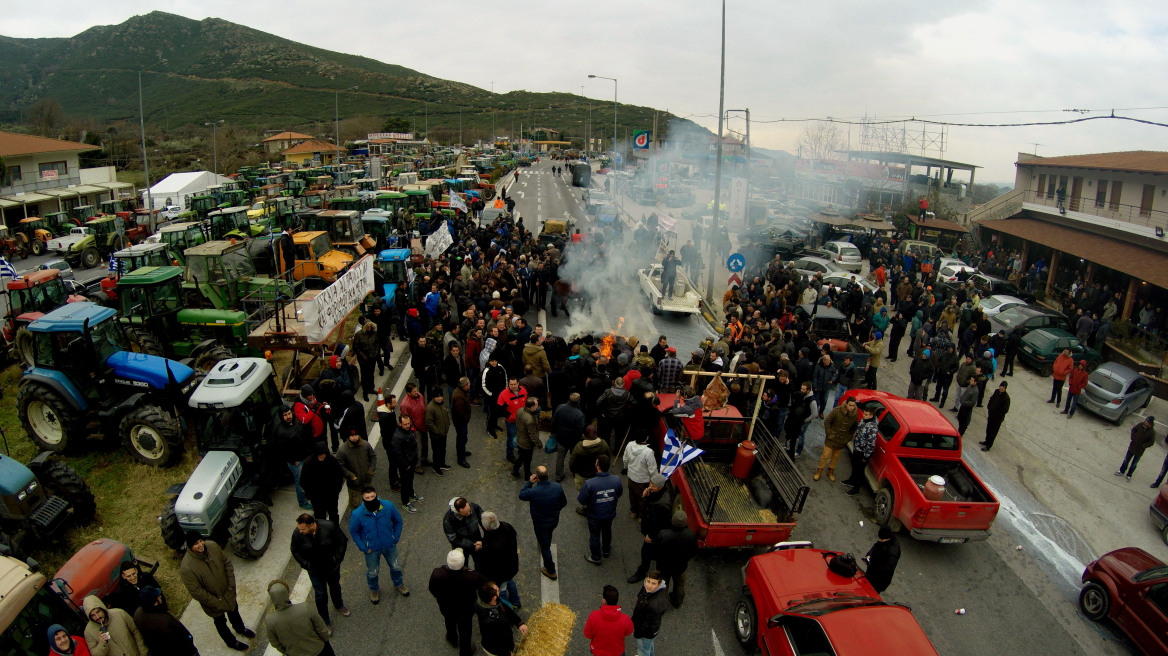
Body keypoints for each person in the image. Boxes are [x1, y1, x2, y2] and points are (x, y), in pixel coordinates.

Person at [178, 534, 254, 651]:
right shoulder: (186, 568)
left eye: (200, 541)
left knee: (234, 611)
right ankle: (231, 642)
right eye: (196, 544)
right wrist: (216, 602)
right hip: (213, 603)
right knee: (220, 622)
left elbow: (226, 563)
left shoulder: (213, 546)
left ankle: (240, 628)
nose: (200, 545)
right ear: (189, 546)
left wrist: (231, 586)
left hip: (227, 593)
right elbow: (196, 591)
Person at [349, 487, 409, 602]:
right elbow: (354, 531)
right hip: (371, 549)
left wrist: (395, 538)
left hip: (389, 545)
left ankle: (399, 584)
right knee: (373, 572)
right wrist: (363, 547)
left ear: (376, 495)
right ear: (363, 498)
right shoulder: (357, 514)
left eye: (372, 496)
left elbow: (398, 521)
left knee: (396, 567)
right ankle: (374, 590)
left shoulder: (388, 506)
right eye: (367, 498)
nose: (370, 499)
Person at [291, 513, 350, 623]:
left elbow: (342, 542)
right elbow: (295, 551)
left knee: (335, 587)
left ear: (312, 525)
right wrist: (306, 564)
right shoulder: (297, 534)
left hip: (332, 568)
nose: (300, 531)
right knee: (320, 594)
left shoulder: (329, 527)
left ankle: (339, 605)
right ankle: (325, 620)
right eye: (299, 529)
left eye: (303, 529)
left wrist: (336, 559)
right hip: (314, 571)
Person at [429, 549, 487, 656]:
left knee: (449, 621)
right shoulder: (472, 576)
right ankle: (465, 651)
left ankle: (452, 639)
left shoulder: (437, 573)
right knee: (465, 631)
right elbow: (482, 584)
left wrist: (439, 598)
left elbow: (432, 589)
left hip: (446, 607)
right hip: (465, 609)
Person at [519, 466, 567, 580]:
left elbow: (521, 494)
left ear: (537, 478)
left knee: (545, 547)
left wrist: (529, 482)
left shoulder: (534, 492)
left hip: (540, 523)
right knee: (548, 535)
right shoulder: (557, 487)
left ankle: (551, 570)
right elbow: (563, 503)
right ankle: (544, 542)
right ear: (548, 474)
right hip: (553, 520)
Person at [265, 580, 335, 656]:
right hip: (318, 650)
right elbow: (321, 628)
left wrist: (286, 652)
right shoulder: (305, 608)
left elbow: (275, 642)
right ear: (287, 593)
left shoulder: (270, 620)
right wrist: (326, 642)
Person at [578, 454, 624, 565]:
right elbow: (619, 493)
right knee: (607, 530)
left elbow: (582, 500)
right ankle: (606, 550)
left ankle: (596, 557)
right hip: (609, 513)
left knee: (594, 535)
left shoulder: (590, 483)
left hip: (594, 515)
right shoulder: (616, 480)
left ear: (597, 466)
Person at [627, 473, 672, 583]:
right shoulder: (658, 493)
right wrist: (646, 496)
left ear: (659, 487)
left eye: (652, 486)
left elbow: (660, 523)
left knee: (647, 553)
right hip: (653, 531)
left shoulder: (663, 504)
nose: (649, 487)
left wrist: (651, 535)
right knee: (652, 554)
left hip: (655, 535)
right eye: (650, 484)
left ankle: (649, 575)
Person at [274, 403, 314, 511]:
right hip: (296, 462)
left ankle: (309, 495)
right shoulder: (280, 432)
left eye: (289, 413)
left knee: (308, 478)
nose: (288, 416)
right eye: (285, 415)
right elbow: (282, 451)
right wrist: (293, 461)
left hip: (305, 456)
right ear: (281, 417)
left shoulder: (297, 422)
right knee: (300, 482)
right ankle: (302, 503)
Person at [134, 587, 196, 656]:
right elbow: (183, 638)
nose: (160, 597)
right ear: (155, 602)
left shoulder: (138, 614)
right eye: (158, 597)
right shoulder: (166, 621)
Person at [479, 512, 522, 609]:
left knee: (501, 592)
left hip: (500, 574)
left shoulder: (492, 545)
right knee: (510, 582)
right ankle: (516, 602)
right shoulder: (507, 527)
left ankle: (508, 610)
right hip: (511, 566)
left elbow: (490, 563)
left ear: (486, 528)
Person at [475, 582, 528, 656]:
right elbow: (497, 643)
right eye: (497, 590)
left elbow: (506, 608)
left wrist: (519, 623)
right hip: (496, 651)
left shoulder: (488, 602)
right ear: (494, 598)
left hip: (494, 644)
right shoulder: (495, 621)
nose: (499, 589)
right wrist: (507, 654)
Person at [81, 595, 147, 656]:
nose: (97, 617)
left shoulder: (119, 613)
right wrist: (102, 643)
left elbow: (135, 632)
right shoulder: (88, 632)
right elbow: (95, 654)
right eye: (93, 615)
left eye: (98, 612)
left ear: (103, 609)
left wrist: (143, 652)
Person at [300, 441, 345, 524]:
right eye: (319, 454)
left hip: (331, 496)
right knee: (320, 518)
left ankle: (334, 531)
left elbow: (339, 477)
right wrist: (311, 494)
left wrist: (336, 492)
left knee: (333, 515)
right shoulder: (308, 463)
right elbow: (303, 481)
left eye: (323, 454)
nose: (321, 456)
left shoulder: (332, 461)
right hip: (317, 497)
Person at [816, 397, 859, 482]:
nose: (852, 407)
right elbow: (827, 421)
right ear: (846, 404)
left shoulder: (855, 414)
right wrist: (829, 433)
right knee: (825, 455)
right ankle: (819, 471)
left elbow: (854, 428)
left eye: (853, 406)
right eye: (850, 405)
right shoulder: (837, 410)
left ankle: (830, 472)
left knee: (835, 457)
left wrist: (848, 438)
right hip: (831, 439)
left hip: (842, 440)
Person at [584, 585, 634, 656]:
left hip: (597, 652)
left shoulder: (593, 615)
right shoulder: (625, 619)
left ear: (604, 601)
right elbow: (628, 632)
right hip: (617, 652)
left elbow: (588, 635)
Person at [336, 428, 376, 512]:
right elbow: (340, 466)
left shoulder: (365, 445)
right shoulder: (342, 450)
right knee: (355, 505)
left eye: (356, 435)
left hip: (367, 480)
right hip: (354, 484)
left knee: (370, 501)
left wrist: (371, 470)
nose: (354, 437)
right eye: (352, 436)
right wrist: (351, 476)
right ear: (348, 437)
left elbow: (373, 457)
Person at [631, 572, 670, 656]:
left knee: (643, 651)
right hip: (652, 631)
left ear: (659, 584)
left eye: (653, 583)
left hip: (645, 632)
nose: (649, 585)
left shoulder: (654, 605)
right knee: (648, 647)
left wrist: (637, 633)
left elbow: (646, 624)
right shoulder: (652, 590)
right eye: (648, 581)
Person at [390, 415, 423, 513]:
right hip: (405, 464)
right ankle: (405, 502)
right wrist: (406, 465)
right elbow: (397, 454)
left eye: (409, 423)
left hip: (411, 461)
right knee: (404, 483)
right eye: (405, 424)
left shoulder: (409, 431)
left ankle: (411, 494)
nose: (408, 425)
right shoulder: (397, 437)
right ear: (400, 424)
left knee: (410, 479)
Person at [552, 393, 587, 481]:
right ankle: (574, 472)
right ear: (578, 401)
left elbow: (553, 421)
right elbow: (579, 430)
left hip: (560, 437)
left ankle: (559, 475)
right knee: (574, 457)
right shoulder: (579, 414)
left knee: (560, 457)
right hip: (573, 441)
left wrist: (554, 433)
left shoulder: (560, 407)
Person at [844, 406, 878, 495]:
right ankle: (851, 480)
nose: (864, 416)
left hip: (863, 452)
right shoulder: (864, 421)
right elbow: (859, 430)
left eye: (866, 415)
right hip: (857, 448)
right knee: (854, 465)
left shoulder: (872, 428)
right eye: (864, 413)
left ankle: (856, 488)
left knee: (860, 470)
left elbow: (871, 444)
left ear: (871, 416)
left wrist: (866, 457)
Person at [444, 497, 486, 567]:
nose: (469, 513)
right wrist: (472, 545)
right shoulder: (448, 521)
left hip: (477, 541)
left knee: (481, 564)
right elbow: (453, 538)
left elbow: (484, 522)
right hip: (461, 547)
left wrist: (484, 540)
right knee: (463, 567)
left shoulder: (473, 507)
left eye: (469, 510)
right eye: (465, 513)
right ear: (458, 512)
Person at [623, 432, 657, 519]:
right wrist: (655, 479)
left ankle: (633, 512)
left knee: (632, 495)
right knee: (642, 498)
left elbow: (625, 459)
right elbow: (652, 468)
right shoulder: (648, 452)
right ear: (645, 440)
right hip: (643, 479)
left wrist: (626, 468)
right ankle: (641, 516)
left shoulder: (629, 445)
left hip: (631, 476)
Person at [498, 377, 529, 462]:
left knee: (522, 436)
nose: (513, 386)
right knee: (511, 438)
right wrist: (509, 416)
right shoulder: (503, 394)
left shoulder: (523, 390)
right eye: (511, 384)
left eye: (515, 384)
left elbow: (526, 402)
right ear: (508, 384)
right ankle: (510, 455)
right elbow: (500, 408)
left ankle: (520, 449)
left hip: (522, 420)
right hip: (511, 422)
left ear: (518, 383)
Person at [1116, 416, 1157, 482]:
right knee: (1126, 460)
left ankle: (1129, 475)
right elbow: (1133, 429)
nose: (1145, 422)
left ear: (1150, 424)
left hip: (1139, 451)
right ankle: (1121, 471)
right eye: (1145, 420)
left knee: (1134, 464)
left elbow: (1151, 442)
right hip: (1132, 447)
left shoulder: (1152, 432)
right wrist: (1133, 437)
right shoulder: (1141, 425)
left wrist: (1143, 446)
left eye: (1147, 421)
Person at [784, 382, 817, 460]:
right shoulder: (803, 396)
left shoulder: (812, 401)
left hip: (803, 421)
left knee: (801, 435)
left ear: (808, 390)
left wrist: (805, 420)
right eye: (801, 388)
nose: (801, 390)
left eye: (803, 389)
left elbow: (815, 414)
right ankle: (789, 447)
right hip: (800, 420)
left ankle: (798, 451)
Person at [864, 527, 902, 593]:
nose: (879, 540)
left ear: (887, 538)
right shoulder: (884, 540)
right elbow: (875, 546)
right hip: (872, 573)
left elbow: (888, 568)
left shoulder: (893, 552)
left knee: (872, 593)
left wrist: (872, 565)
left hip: (879, 579)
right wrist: (869, 554)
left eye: (881, 539)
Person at [424, 388, 452, 475]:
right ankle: (436, 467)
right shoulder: (430, 407)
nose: (439, 398)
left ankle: (442, 464)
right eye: (437, 397)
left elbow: (446, 415)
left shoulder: (443, 404)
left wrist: (448, 425)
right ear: (433, 397)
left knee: (443, 449)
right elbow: (428, 422)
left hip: (443, 433)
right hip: (436, 435)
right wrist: (437, 431)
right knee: (436, 451)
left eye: (441, 396)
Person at [513, 397, 540, 479]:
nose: (537, 407)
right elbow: (532, 435)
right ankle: (527, 476)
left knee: (521, 457)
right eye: (536, 406)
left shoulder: (520, 410)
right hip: (527, 444)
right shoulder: (530, 419)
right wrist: (539, 444)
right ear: (532, 407)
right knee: (527, 460)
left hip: (520, 439)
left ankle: (515, 470)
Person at [353, 320, 381, 401]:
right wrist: (363, 356)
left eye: (370, 327)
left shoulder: (374, 333)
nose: (369, 328)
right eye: (368, 327)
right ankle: (365, 393)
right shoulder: (359, 335)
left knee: (371, 374)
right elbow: (356, 347)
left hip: (372, 358)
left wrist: (375, 354)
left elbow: (376, 344)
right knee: (365, 376)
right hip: (363, 359)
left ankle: (371, 388)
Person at [981, 381, 1011, 451]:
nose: (1001, 388)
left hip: (997, 419)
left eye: (1003, 387)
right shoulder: (996, 391)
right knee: (988, 429)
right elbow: (991, 399)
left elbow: (1005, 410)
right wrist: (989, 407)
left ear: (1005, 388)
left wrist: (997, 414)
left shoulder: (1007, 398)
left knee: (993, 432)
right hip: (991, 415)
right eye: (1001, 386)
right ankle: (986, 441)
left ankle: (988, 446)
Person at [451, 376, 473, 468]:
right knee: (461, 438)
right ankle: (461, 459)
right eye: (468, 383)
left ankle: (462, 451)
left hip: (460, 421)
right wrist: (466, 418)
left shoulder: (460, 391)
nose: (470, 384)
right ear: (465, 386)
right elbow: (460, 412)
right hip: (460, 421)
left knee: (463, 437)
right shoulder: (459, 396)